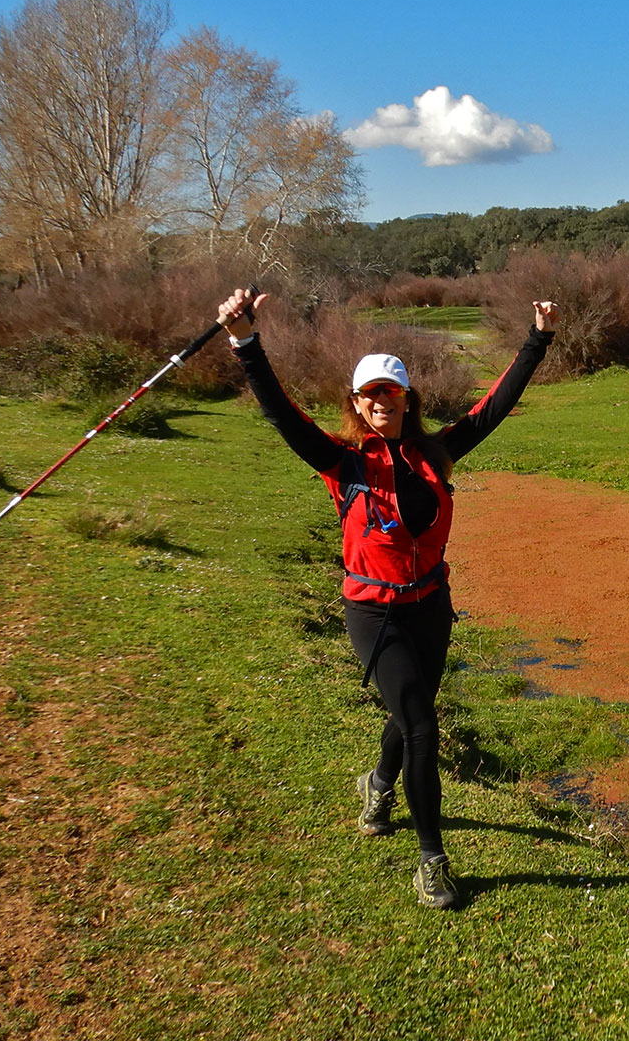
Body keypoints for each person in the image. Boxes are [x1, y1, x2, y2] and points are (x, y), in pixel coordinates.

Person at [215, 287, 557, 908]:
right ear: (355, 402)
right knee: (423, 725)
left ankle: (376, 783)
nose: (379, 402)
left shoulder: (436, 452)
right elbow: (281, 415)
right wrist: (245, 342)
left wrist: (537, 339)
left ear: (407, 399)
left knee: (412, 709)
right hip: (374, 611)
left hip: (430, 605)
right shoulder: (341, 462)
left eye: (389, 391)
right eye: (368, 393)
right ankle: (433, 860)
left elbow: (493, 408)